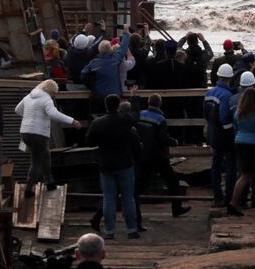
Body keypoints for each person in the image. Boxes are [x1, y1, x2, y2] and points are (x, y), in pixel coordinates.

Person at [87, 95, 141, 239]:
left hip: (106, 164)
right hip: (125, 162)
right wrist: (134, 98)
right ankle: (132, 230)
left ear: (106, 105)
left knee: (109, 198)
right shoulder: (125, 121)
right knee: (128, 198)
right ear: (118, 105)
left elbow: (89, 141)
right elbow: (136, 116)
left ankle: (110, 231)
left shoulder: (98, 123)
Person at [15, 79, 80, 191]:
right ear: (51, 91)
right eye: (54, 93)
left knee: (46, 156)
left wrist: (30, 118)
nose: (54, 96)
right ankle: (29, 189)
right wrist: (72, 121)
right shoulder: (46, 99)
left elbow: (17, 110)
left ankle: (50, 183)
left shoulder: (28, 97)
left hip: (25, 132)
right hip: (38, 134)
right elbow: (53, 113)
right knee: (36, 162)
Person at [136, 94, 190, 218]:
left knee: (141, 184)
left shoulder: (140, 115)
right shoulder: (160, 119)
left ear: (148, 102)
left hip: (143, 154)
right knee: (172, 181)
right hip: (158, 156)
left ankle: (130, 207)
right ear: (160, 104)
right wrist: (174, 142)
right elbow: (162, 137)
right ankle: (176, 208)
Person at [228, 86, 255, 217]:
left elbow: (236, 127)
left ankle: (233, 203)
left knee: (244, 175)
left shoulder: (238, 111)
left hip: (240, 143)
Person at [203, 63, 237, 207]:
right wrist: (232, 130)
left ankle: (217, 195)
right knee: (230, 165)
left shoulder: (209, 93)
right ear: (230, 78)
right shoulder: (227, 95)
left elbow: (204, 113)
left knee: (215, 164)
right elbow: (224, 117)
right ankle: (229, 196)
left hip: (212, 133)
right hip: (225, 135)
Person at [83, 32, 132, 114]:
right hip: (115, 93)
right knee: (115, 114)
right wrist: (126, 33)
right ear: (110, 49)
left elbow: (83, 74)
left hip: (99, 94)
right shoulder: (115, 59)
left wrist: (92, 85)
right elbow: (123, 48)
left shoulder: (94, 62)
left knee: (100, 115)